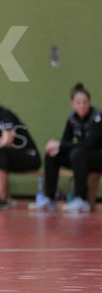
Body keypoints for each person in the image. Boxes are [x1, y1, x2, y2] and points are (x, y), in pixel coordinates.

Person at [36, 83, 102, 212]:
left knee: (77, 153)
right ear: (72, 104)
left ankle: (81, 199)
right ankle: (49, 198)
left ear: (89, 103)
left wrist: (60, 144)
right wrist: (55, 146)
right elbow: (66, 141)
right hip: (81, 159)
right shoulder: (72, 119)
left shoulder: (97, 118)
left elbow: (89, 144)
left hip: (97, 157)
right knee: (52, 155)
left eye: (85, 102)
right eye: (78, 102)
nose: (82, 105)